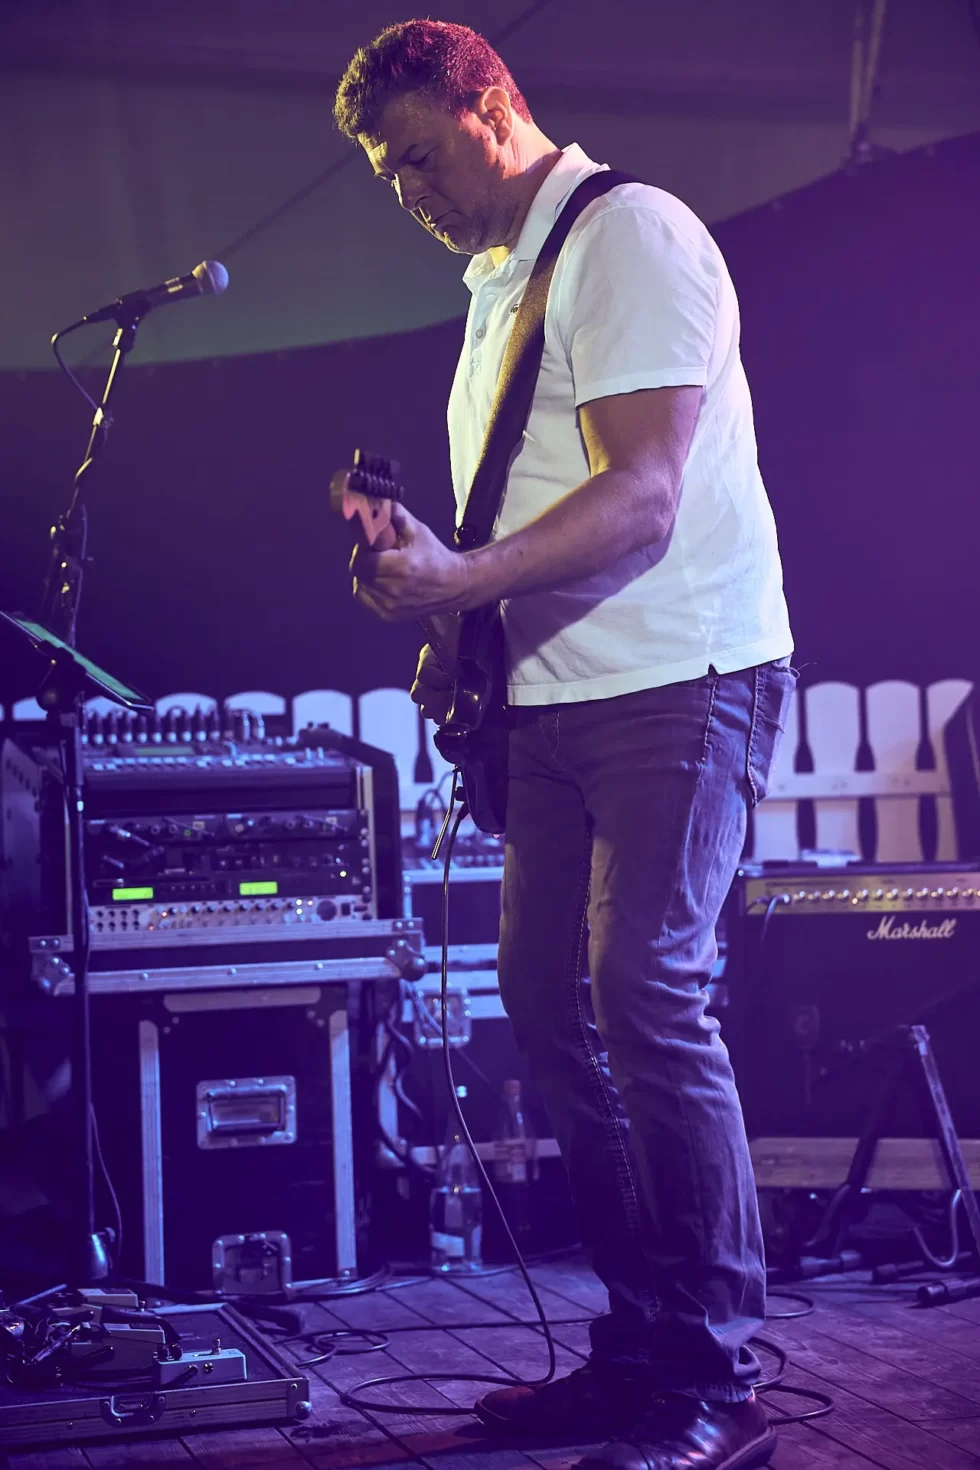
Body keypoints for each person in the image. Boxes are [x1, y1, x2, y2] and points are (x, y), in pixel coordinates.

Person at [334, 21, 795, 1470]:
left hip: (681, 680)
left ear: (493, 104)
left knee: (645, 992)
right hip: (554, 697)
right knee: (546, 1002)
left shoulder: (628, 235)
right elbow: (532, 511)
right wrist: (435, 572)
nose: (410, 192)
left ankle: (716, 1376)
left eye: (421, 155)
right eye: (388, 175)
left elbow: (645, 495)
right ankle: (642, 1343)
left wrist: (460, 578)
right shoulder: (500, 285)